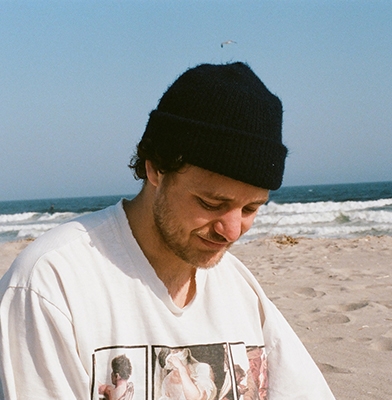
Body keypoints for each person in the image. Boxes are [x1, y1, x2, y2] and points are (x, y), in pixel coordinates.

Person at [0, 62, 335, 399]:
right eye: (211, 203)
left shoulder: (240, 289)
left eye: (251, 208)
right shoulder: (50, 283)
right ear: (156, 169)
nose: (232, 231)